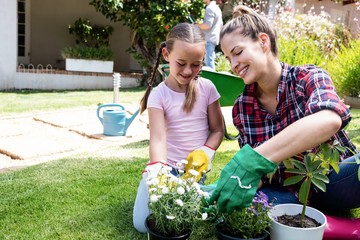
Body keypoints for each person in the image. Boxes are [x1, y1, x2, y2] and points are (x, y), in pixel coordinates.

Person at [208, 4, 360, 216]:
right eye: (227, 58)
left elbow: (329, 119)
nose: (233, 64)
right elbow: (259, 175)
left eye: (237, 52)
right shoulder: (242, 108)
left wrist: (254, 158)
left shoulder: (308, 78)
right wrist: (230, 185)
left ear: (263, 42)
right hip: (288, 193)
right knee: (240, 211)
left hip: (335, 181)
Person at [133, 22, 224, 233]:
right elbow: (157, 138)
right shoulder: (159, 94)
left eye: (196, 64)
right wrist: (158, 168)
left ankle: (206, 191)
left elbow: (218, 130)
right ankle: (206, 194)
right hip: (164, 169)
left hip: (193, 173)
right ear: (166, 54)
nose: (188, 71)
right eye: (181, 63)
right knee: (142, 225)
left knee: (184, 221)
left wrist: (206, 152)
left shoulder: (208, 88)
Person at [196, 0, 223, 70]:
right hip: (213, 38)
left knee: (209, 64)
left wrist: (197, 25)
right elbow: (221, 25)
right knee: (209, 61)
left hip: (208, 39)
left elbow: (207, 25)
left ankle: (211, 80)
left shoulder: (209, 8)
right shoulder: (217, 8)